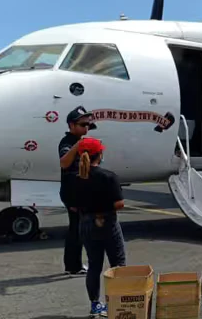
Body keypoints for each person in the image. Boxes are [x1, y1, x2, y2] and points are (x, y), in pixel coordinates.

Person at [74, 138, 126, 317]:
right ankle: (118, 303)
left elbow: (73, 206)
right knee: (118, 264)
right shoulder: (108, 176)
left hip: (86, 223)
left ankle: (95, 305)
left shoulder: (76, 179)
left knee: (94, 265)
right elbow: (119, 204)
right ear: (100, 154)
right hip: (107, 222)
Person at [58, 106, 97, 275]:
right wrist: (78, 146)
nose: (86, 128)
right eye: (82, 124)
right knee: (76, 229)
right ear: (71, 125)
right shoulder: (67, 142)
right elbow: (64, 163)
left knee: (78, 228)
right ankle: (73, 266)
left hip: (79, 191)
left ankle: (73, 265)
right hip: (72, 192)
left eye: (88, 125)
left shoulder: (81, 141)